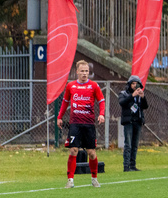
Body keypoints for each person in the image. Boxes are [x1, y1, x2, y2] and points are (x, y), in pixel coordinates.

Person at [57, 60, 106, 188]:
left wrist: (101, 114)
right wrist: (59, 117)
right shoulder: (71, 86)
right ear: (77, 72)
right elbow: (65, 102)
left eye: (87, 71)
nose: (85, 73)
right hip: (75, 123)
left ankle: (94, 178)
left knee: (91, 152)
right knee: (73, 150)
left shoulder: (94, 86)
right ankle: (70, 180)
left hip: (89, 124)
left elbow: (101, 100)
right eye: (82, 71)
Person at [118, 75, 149, 172]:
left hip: (138, 121)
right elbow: (122, 102)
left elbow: (145, 106)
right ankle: (126, 166)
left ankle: (133, 165)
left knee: (135, 145)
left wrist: (142, 97)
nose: (135, 86)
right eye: (133, 83)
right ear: (129, 84)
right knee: (128, 144)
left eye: (137, 84)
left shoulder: (140, 95)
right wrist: (132, 95)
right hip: (128, 121)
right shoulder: (124, 93)